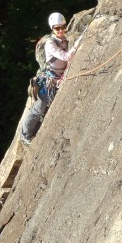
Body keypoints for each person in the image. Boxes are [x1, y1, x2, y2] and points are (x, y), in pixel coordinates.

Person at [20, 12, 80, 146]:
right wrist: (79, 44)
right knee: (39, 108)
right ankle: (24, 135)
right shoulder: (50, 44)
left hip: (58, 77)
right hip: (49, 80)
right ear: (52, 29)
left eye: (62, 27)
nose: (60, 30)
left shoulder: (64, 39)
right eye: (57, 28)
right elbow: (65, 57)